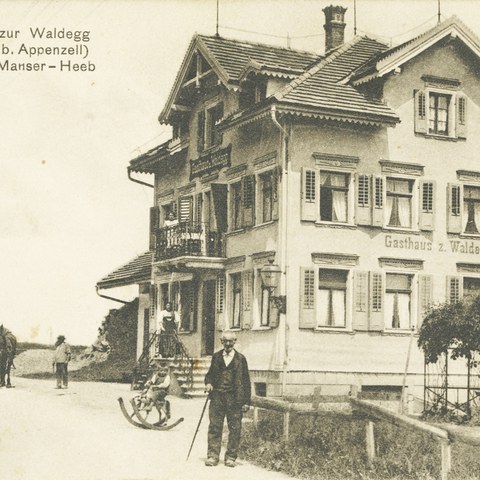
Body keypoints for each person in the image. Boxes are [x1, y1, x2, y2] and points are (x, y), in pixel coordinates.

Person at [204, 330, 251, 468]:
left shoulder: (241, 359)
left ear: (235, 342)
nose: (228, 344)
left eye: (231, 341)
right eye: (225, 341)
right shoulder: (216, 357)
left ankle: (231, 457)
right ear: (221, 342)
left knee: (235, 428)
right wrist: (208, 383)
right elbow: (209, 375)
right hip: (217, 397)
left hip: (235, 399)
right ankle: (213, 456)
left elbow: (246, 381)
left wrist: (246, 401)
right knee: (214, 426)